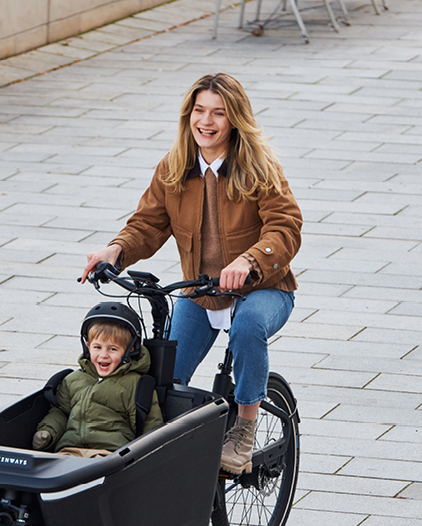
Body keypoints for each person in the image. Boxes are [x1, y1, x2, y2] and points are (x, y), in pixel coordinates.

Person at [81, 72, 301, 475]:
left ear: (234, 119)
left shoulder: (259, 168)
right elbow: (147, 224)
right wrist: (116, 249)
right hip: (201, 293)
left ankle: (244, 430)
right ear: (189, 116)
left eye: (218, 113)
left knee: (249, 327)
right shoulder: (174, 168)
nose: (207, 121)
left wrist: (249, 260)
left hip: (263, 290)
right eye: (199, 111)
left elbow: (285, 227)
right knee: (163, 379)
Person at [33, 303, 163, 457]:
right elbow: (61, 412)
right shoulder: (73, 380)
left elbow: (150, 423)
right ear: (88, 347)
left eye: (112, 349)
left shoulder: (134, 384)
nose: (103, 355)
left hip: (109, 453)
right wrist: (48, 431)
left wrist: (146, 455)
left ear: (130, 350)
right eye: (97, 347)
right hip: (70, 450)